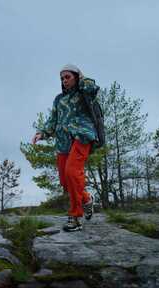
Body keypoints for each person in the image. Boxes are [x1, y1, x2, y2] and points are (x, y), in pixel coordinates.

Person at [32, 64, 99, 232]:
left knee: (72, 172)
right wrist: (42, 133)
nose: (64, 80)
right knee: (66, 181)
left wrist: (82, 79)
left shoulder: (84, 93)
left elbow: (92, 88)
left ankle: (75, 217)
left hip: (82, 136)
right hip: (63, 142)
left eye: (67, 77)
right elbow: (52, 120)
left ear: (76, 77)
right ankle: (86, 199)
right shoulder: (58, 99)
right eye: (62, 78)